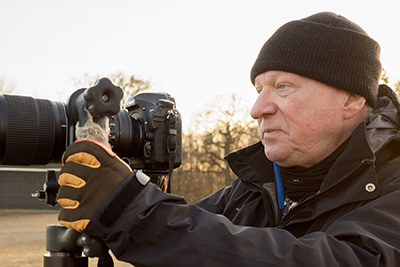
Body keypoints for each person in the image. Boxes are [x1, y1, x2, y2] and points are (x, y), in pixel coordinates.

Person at [56, 12, 400, 266]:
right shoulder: (251, 188)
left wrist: (135, 213)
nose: (257, 108)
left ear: (352, 100)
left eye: (283, 87)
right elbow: (188, 243)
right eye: (259, 88)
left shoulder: (393, 186)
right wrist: (118, 203)